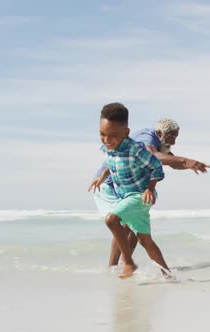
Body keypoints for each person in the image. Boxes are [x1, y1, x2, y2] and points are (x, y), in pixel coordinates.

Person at [91, 118, 210, 267]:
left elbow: (172, 162)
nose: (173, 142)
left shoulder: (160, 143)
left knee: (135, 226)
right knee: (122, 222)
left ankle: (124, 266)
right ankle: (114, 266)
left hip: (131, 189)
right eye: (171, 136)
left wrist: (188, 165)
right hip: (110, 185)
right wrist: (186, 160)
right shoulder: (147, 138)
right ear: (160, 133)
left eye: (176, 137)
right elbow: (152, 155)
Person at [89, 102, 170, 279]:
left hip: (140, 196)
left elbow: (156, 167)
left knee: (112, 219)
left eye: (113, 136)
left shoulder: (136, 149)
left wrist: (150, 189)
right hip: (126, 196)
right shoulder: (108, 148)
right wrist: (101, 176)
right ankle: (169, 275)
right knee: (145, 241)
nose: (107, 140)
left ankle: (128, 263)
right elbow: (112, 163)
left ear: (126, 133)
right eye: (102, 134)